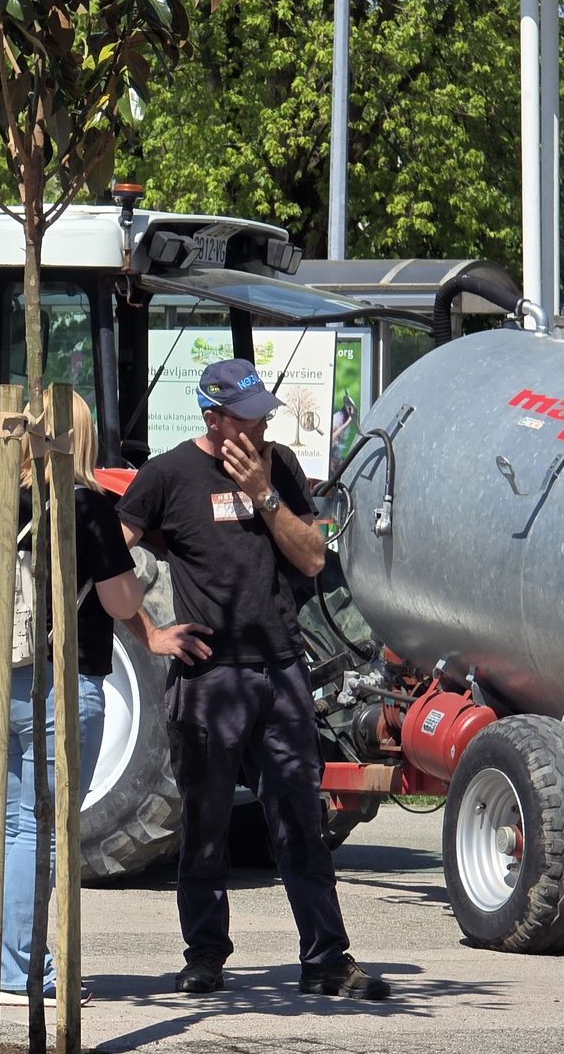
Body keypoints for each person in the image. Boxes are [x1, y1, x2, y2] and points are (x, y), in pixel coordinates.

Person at [118, 359, 389, 1000]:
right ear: (213, 416)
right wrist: (147, 634)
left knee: (301, 821)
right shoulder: (168, 474)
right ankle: (205, 957)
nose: (262, 428)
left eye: (265, 416)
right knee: (204, 826)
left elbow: (314, 556)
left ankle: (327, 961)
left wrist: (266, 494)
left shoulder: (279, 467)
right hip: (209, 681)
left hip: (281, 674)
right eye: (249, 417)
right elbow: (109, 553)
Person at [0, 397, 144, 1006]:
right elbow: (121, 604)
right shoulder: (86, 508)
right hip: (62, 683)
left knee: (19, 827)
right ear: (79, 438)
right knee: (50, 831)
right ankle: (32, 970)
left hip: (2, 679)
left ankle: (12, 966)